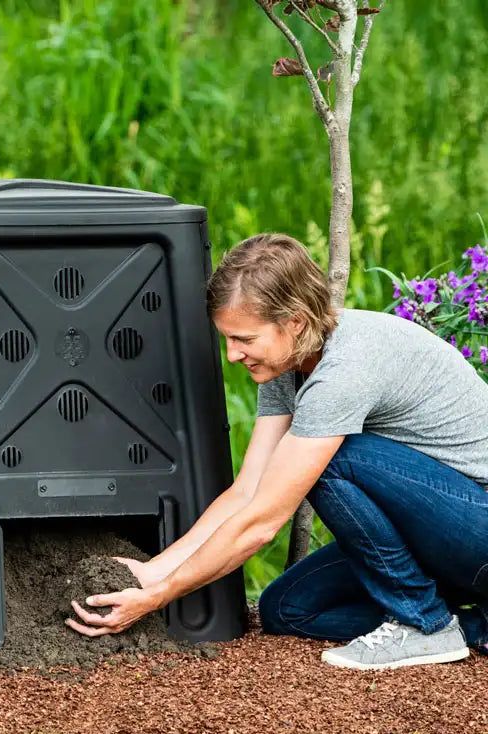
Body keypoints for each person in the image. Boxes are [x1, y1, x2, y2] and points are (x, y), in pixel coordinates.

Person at [66, 232, 488, 670]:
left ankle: (424, 623)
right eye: (227, 339)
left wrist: (159, 596)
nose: (232, 355)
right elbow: (248, 491)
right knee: (287, 608)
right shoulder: (288, 365)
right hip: (435, 534)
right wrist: (152, 570)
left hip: (476, 532)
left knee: (334, 461)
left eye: (244, 339)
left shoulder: (344, 372)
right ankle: (472, 627)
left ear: (295, 322)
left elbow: (263, 521)